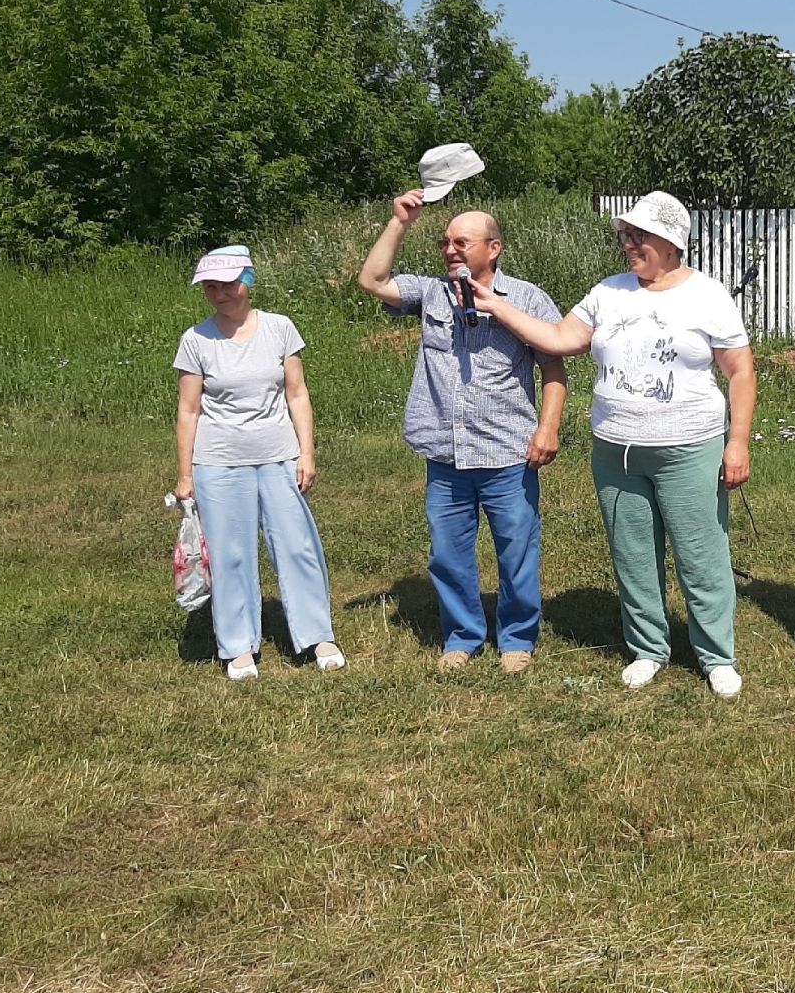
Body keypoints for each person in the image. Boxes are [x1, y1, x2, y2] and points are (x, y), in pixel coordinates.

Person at [467, 191, 756, 697]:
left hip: (689, 446)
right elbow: (558, 339)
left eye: (638, 236)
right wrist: (495, 307)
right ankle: (649, 649)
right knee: (633, 553)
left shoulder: (707, 296)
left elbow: (740, 372)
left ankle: (716, 656)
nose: (628, 244)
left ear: (671, 241)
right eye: (625, 235)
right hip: (617, 449)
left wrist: (738, 443)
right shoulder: (608, 292)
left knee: (700, 552)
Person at [357, 194, 566, 673]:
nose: (450, 249)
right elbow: (372, 280)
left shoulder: (528, 298)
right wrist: (399, 222)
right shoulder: (431, 294)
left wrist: (548, 428)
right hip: (446, 453)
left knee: (517, 551)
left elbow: (554, 368)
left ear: (493, 248)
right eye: (445, 241)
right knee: (448, 554)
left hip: (508, 451)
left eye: (462, 242)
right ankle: (463, 636)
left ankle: (517, 638)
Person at [172, 246, 343, 681]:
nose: (220, 293)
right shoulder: (196, 340)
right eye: (211, 287)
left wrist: (307, 453)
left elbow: (297, 393)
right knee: (229, 556)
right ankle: (237, 647)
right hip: (218, 462)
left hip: (279, 456)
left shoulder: (280, 328)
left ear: (247, 281)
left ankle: (317, 636)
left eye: (227, 284)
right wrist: (185, 475)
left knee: (297, 546)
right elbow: (188, 410)